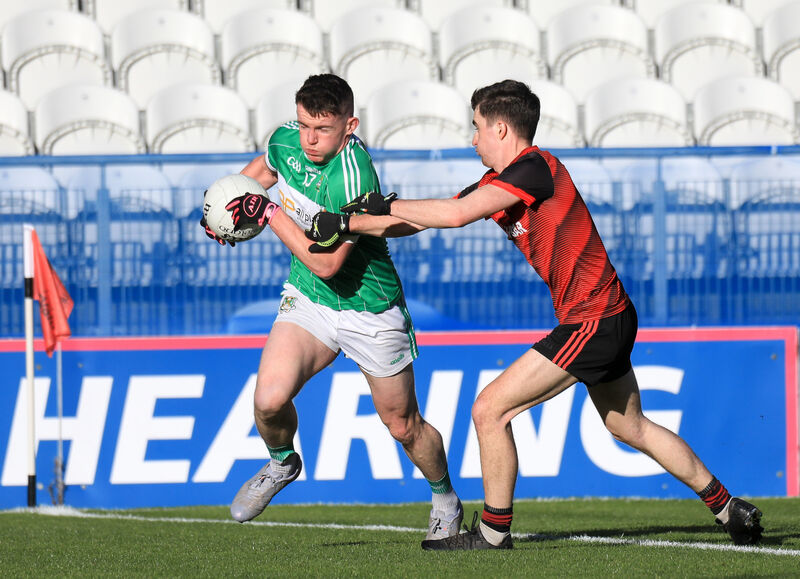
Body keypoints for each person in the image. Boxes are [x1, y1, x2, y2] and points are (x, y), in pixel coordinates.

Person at [305, 79, 764, 550]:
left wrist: (366, 213)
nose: (473, 139)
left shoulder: (534, 169)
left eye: (477, 128)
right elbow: (423, 219)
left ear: (501, 129)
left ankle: (493, 533)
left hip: (593, 320)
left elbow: (456, 214)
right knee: (629, 425)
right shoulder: (501, 182)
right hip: (608, 314)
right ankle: (729, 507)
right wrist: (359, 222)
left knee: (490, 409)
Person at [200, 73, 463, 540]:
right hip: (310, 300)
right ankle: (282, 463)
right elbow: (257, 174)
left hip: (369, 307)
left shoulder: (354, 176)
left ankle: (445, 499)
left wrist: (268, 213)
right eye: (304, 125)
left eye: (322, 129)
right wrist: (226, 211)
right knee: (268, 400)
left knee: (403, 426)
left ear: (349, 126)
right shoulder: (286, 140)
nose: (310, 139)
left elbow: (327, 264)